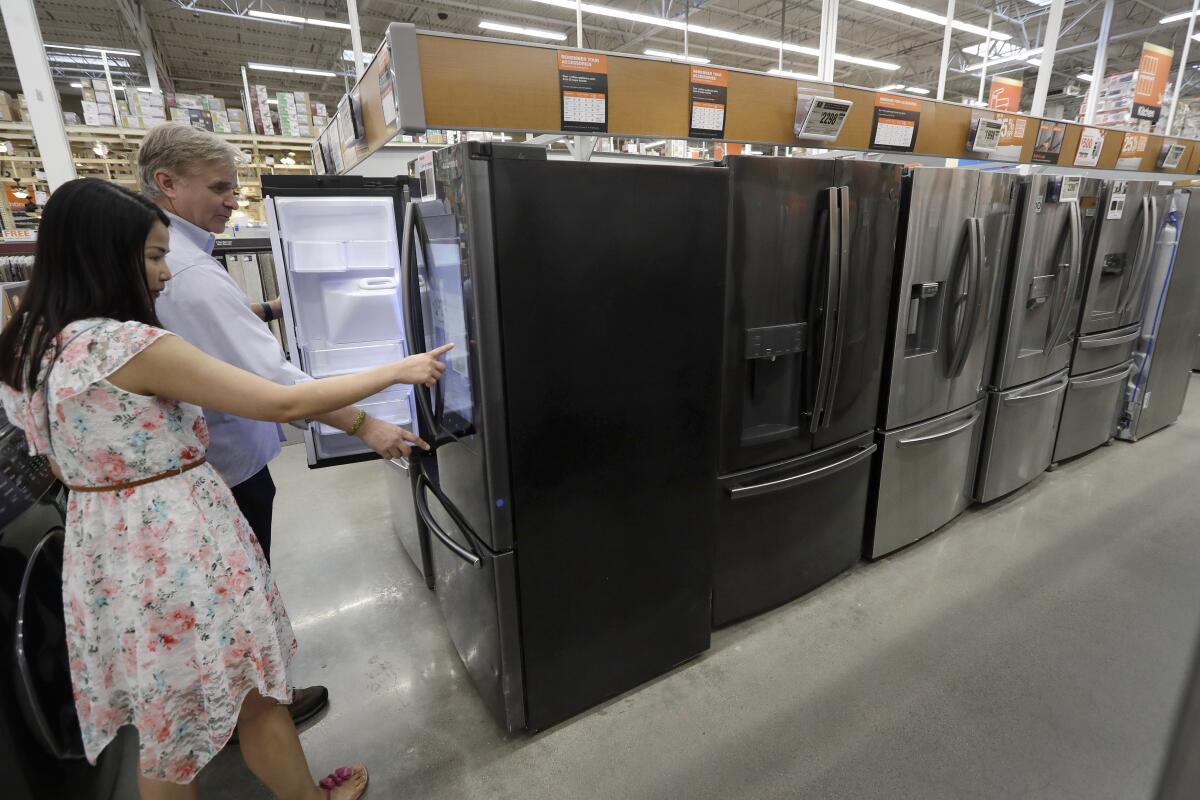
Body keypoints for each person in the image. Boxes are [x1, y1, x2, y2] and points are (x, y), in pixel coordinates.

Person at [0, 178, 451, 798]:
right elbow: (281, 399)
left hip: (104, 549)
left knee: (164, 728)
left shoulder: (29, 344)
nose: (165, 273)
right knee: (256, 694)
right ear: (105, 255)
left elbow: (50, 459)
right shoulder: (126, 344)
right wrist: (396, 369)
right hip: (177, 544)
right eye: (154, 257)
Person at [137, 123, 421, 725]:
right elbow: (281, 389)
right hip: (227, 471)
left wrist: (266, 308)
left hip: (211, 465)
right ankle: (257, 708)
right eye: (218, 188)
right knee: (238, 603)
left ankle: (244, 700)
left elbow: (216, 331)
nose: (230, 200)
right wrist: (367, 422)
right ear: (167, 184)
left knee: (229, 602)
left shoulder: (178, 261)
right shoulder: (183, 271)